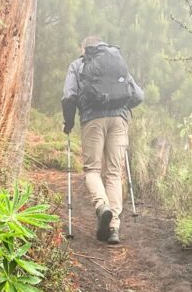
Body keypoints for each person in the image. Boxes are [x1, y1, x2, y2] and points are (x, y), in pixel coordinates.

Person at [61, 36, 144, 244]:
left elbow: (69, 96)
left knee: (92, 170)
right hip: (119, 120)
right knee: (114, 173)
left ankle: (102, 206)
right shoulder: (116, 62)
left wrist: (69, 123)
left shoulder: (79, 64)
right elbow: (138, 95)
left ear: (84, 48)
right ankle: (114, 228)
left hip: (92, 120)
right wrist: (121, 107)